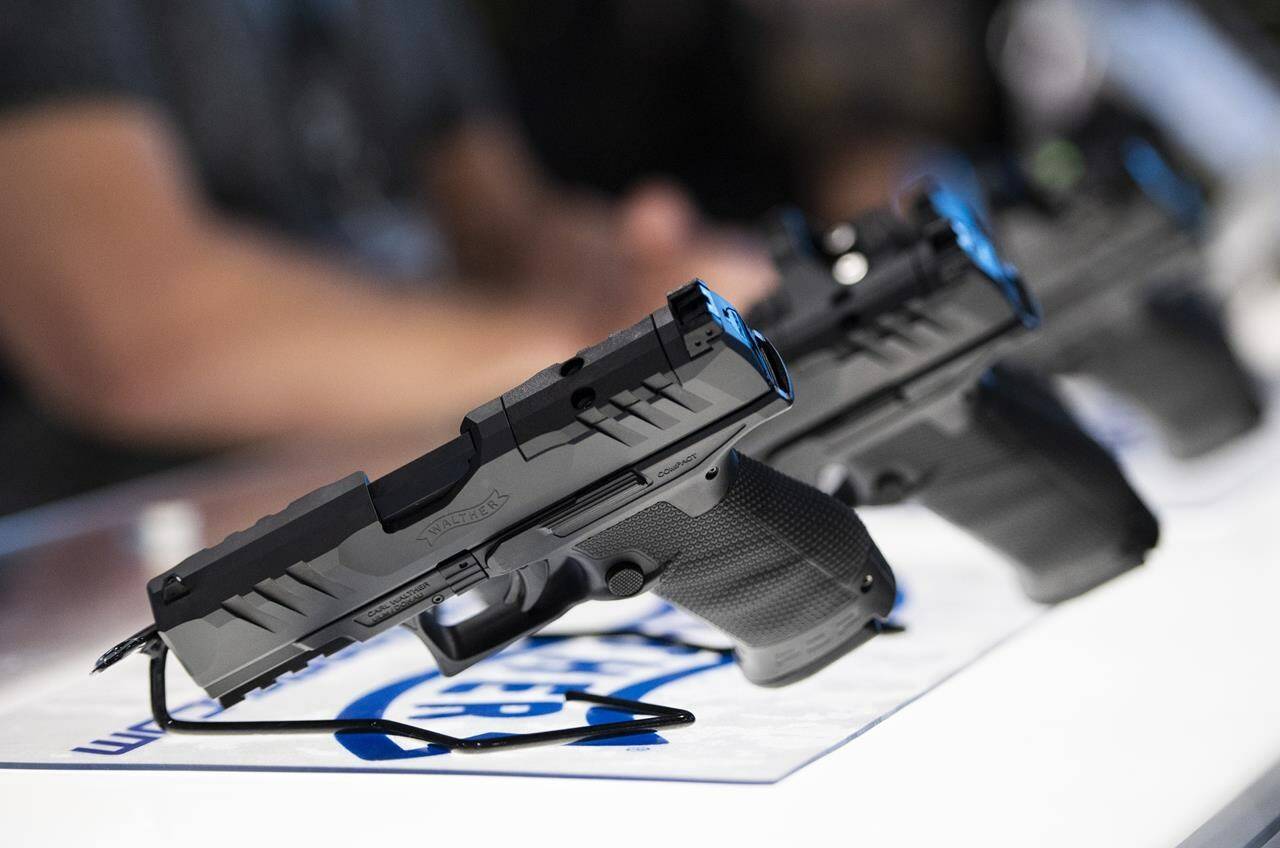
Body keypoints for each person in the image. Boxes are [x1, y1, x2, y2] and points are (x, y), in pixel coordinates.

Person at [0, 1, 772, 513]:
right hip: (112, 571)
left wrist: (638, 272)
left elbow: (503, 231)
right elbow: (132, 333)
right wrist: (588, 340)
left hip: (407, 494)